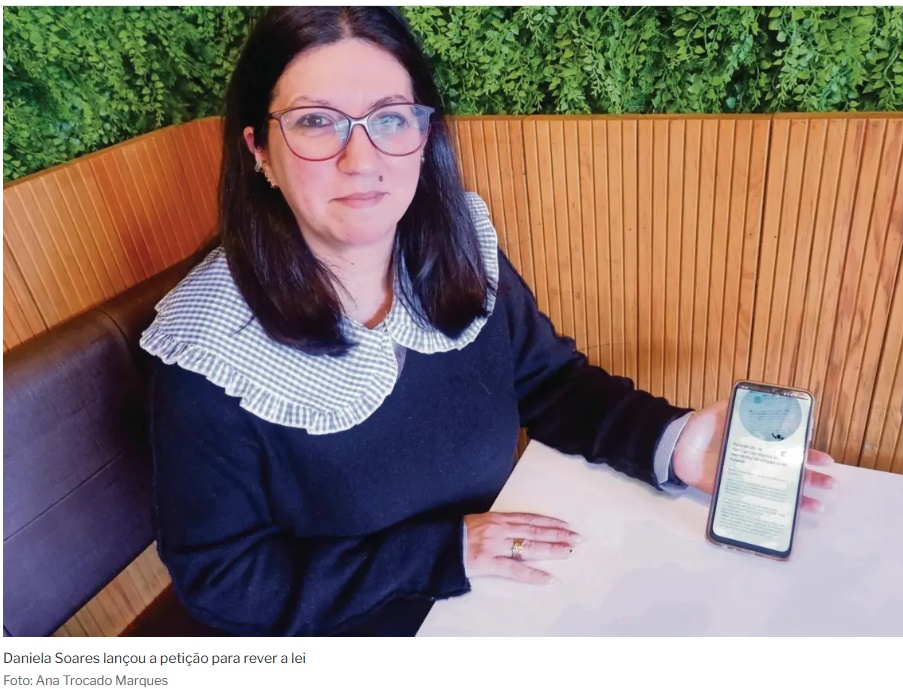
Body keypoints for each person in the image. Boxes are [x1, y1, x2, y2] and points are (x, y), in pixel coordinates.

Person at [142, 6, 836, 637]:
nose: (362, 159)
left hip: (498, 596)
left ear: (423, 135)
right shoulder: (207, 349)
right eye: (317, 122)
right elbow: (225, 581)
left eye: (391, 118)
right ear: (259, 150)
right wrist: (444, 552)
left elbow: (550, 382)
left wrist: (671, 442)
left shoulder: (454, 248)